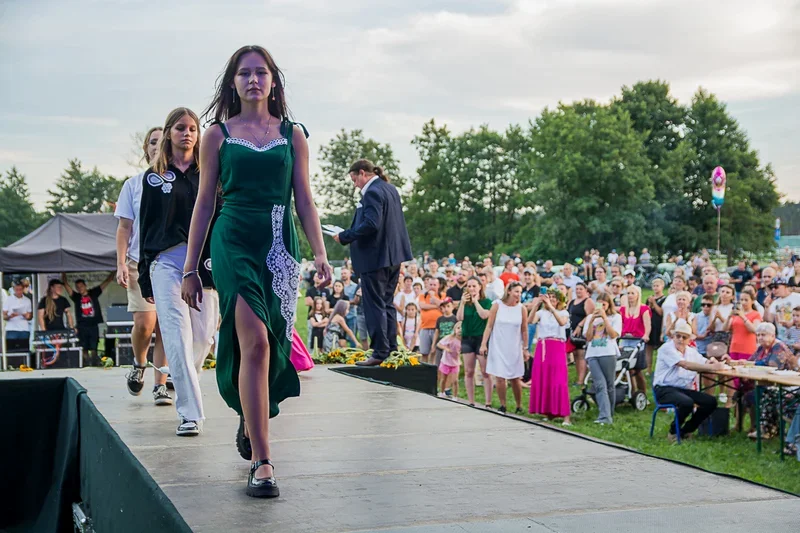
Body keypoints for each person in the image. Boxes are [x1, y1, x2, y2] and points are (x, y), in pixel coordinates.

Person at [181, 46, 332, 497]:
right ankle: (264, 463)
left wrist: (321, 253)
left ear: (272, 81)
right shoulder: (217, 135)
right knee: (256, 340)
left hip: (280, 241)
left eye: (260, 72)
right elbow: (205, 202)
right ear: (233, 82)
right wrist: (191, 267)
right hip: (233, 238)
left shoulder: (293, 134)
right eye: (244, 73)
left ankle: (252, 416)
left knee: (275, 340)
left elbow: (303, 198)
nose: (252, 80)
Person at [138, 107, 219, 440]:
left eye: (193, 129)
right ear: (169, 132)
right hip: (166, 262)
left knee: (202, 338)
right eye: (180, 128)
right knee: (176, 334)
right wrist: (145, 275)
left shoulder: (210, 174)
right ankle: (190, 414)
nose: (187, 133)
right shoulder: (154, 177)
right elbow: (146, 226)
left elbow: (218, 218)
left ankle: (183, 379)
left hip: (203, 263)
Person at [333, 159, 413, 368]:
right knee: (387, 303)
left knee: (374, 304)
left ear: (362, 173)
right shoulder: (390, 189)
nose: (355, 184)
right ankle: (390, 347)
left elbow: (371, 223)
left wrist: (345, 236)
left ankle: (379, 350)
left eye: (354, 179)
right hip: (393, 257)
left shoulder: (372, 192)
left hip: (375, 258)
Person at [115, 125, 171, 403]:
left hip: (171, 264)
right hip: (140, 264)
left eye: (162, 142)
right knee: (145, 324)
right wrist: (121, 263)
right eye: (152, 142)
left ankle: (160, 382)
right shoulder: (133, 185)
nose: (157, 146)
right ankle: (138, 364)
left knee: (167, 327)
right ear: (146, 149)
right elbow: (125, 227)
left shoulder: (180, 182)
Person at [653, 320, 725, 442]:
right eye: (678, 336)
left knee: (711, 401)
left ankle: (687, 430)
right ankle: (673, 432)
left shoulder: (691, 351)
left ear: (689, 340)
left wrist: (714, 361)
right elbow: (685, 364)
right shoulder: (666, 348)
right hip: (664, 388)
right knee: (686, 403)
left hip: (683, 389)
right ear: (673, 336)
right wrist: (711, 367)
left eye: (684, 337)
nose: (680, 339)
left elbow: (704, 361)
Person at [481, 282, 529, 414]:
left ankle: (519, 405)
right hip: (498, 344)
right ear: (509, 292)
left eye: (520, 292)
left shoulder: (521, 309)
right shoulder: (497, 305)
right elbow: (489, 326)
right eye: (516, 291)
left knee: (515, 378)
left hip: (514, 346)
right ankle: (503, 404)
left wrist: (525, 348)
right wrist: (484, 343)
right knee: (500, 377)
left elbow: (524, 330)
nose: (518, 294)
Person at [528, 288, 571, 424]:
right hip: (543, 346)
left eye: (554, 297)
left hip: (557, 346)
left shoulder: (563, 312)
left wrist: (552, 308)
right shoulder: (542, 313)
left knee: (558, 379)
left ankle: (565, 415)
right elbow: (530, 321)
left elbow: (562, 322)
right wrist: (537, 304)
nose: (551, 299)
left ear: (558, 300)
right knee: (544, 378)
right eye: (549, 297)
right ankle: (548, 410)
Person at [583, 292, 622, 425]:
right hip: (593, 353)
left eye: (603, 304)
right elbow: (588, 337)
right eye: (598, 304)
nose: (601, 307)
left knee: (609, 385)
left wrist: (605, 318)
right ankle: (604, 416)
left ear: (608, 304)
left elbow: (613, 335)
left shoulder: (615, 317)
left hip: (608, 353)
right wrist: (591, 321)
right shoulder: (590, 318)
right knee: (600, 384)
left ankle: (608, 413)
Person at [61, 272, 115, 365]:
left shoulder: (93, 293)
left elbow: (107, 281)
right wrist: (63, 273)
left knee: (94, 347)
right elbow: (66, 285)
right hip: (82, 326)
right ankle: (86, 363)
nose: (79, 288)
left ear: (85, 286)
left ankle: (94, 363)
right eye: (77, 287)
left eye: (81, 286)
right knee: (84, 348)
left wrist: (114, 271)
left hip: (93, 325)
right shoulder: (77, 297)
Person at [456, 277, 493, 407]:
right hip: (467, 337)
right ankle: (471, 401)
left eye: (474, 286)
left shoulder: (487, 302)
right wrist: (462, 303)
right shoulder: (465, 303)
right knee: (469, 371)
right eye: (469, 286)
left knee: (485, 371)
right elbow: (459, 318)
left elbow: (484, 315)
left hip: (481, 338)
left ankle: (488, 401)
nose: (471, 289)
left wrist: (476, 301)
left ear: (480, 287)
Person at [620, 284, 651, 394]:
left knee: (637, 369)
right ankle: (631, 391)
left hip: (637, 340)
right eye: (628, 293)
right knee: (626, 368)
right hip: (625, 339)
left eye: (633, 293)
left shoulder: (643, 309)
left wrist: (646, 335)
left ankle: (642, 392)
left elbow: (647, 325)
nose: (630, 295)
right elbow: (621, 324)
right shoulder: (623, 310)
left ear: (638, 295)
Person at [567, 282, 595, 385]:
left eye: (581, 289)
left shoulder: (588, 301)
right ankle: (579, 377)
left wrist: (580, 325)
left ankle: (581, 380)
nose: (578, 291)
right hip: (572, 331)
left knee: (581, 354)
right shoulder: (572, 301)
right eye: (577, 289)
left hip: (582, 331)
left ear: (586, 291)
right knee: (575, 354)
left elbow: (590, 315)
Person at [417, 276, 443, 364]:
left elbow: (443, 307)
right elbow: (423, 306)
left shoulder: (442, 295)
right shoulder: (422, 295)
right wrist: (437, 306)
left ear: (438, 285)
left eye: (434, 285)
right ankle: (424, 371)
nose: (432, 286)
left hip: (437, 329)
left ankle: (433, 371)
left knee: (435, 352)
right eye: (430, 284)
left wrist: (434, 297)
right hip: (425, 327)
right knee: (424, 352)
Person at [766, 277, 800, 342]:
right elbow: (769, 320)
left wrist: (792, 323)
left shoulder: (797, 297)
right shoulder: (775, 302)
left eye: (776, 287)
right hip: (782, 338)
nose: (773, 290)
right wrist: (767, 306)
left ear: (785, 286)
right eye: (771, 288)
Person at [646, 277, 667, 373]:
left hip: (659, 325)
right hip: (650, 325)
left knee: (660, 348)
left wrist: (654, 303)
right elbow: (647, 312)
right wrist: (650, 304)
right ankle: (648, 369)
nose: (655, 288)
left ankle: (660, 369)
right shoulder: (649, 298)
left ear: (662, 286)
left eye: (657, 286)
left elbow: (661, 312)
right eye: (654, 286)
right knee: (648, 348)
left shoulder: (664, 299)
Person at [3, 280, 32, 348]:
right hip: (11, 329)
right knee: (11, 350)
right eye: (17, 290)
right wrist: (10, 316)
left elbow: (30, 316)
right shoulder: (8, 299)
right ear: (13, 289)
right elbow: (3, 316)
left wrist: (26, 316)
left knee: (24, 349)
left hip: (24, 329)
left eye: (20, 289)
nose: (19, 292)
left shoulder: (27, 300)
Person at [437, 321, 462, 398]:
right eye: (458, 328)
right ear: (454, 329)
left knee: (455, 381)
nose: (460, 330)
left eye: (462, 328)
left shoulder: (464, 341)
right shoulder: (450, 338)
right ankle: (442, 392)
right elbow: (439, 344)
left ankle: (455, 396)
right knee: (443, 378)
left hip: (455, 363)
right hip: (446, 361)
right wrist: (446, 348)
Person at [430, 298, 458, 367]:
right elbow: (437, 332)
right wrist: (433, 344)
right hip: (441, 344)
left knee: (450, 365)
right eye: (444, 307)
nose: (446, 309)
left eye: (448, 306)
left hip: (450, 345)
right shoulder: (439, 319)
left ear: (453, 307)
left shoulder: (455, 318)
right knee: (439, 364)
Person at [340, 268, 359, 345]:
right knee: (341, 336)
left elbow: (356, 301)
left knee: (352, 336)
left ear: (350, 274)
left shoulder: (355, 286)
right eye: (342, 274)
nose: (343, 275)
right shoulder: (338, 285)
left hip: (351, 314)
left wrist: (345, 302)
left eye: (345, 273)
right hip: (340, 315)